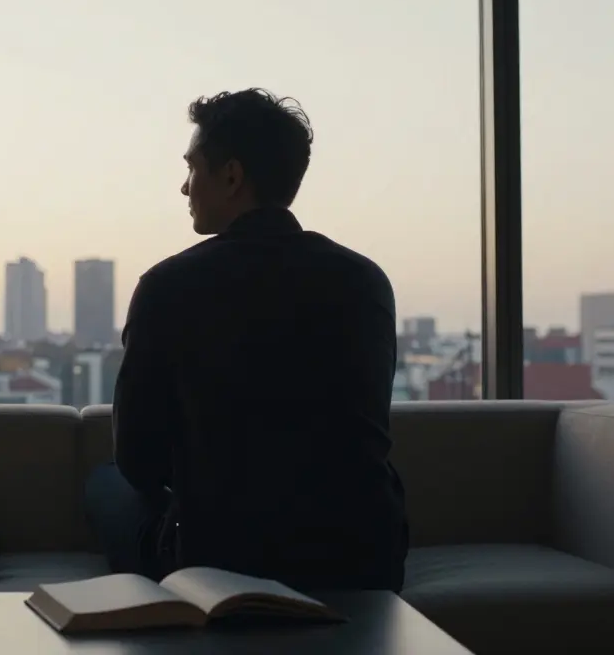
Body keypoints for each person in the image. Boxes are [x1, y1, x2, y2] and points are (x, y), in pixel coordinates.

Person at [85, 88, 408, 592]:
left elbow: (138, 461)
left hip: (222, 559)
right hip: (365, 556)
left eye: (193, 169)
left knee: (105, 481)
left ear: (232, 176)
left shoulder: (169, 286)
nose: (184, 187)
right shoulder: (365, 281)